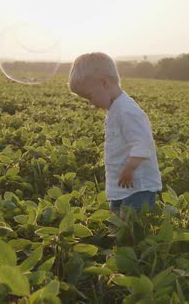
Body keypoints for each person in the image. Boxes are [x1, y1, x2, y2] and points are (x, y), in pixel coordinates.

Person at [68, 52, 162, 217]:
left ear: (104, 83)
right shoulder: (115, 108)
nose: (90, 103)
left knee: (128, 219)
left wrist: (129, 168)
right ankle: (119, 241)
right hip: (123, 183)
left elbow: (143, 143)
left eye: (89, 97)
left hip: (138, 184)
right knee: (114, 216)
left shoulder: (127, 110)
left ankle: (133, 242)